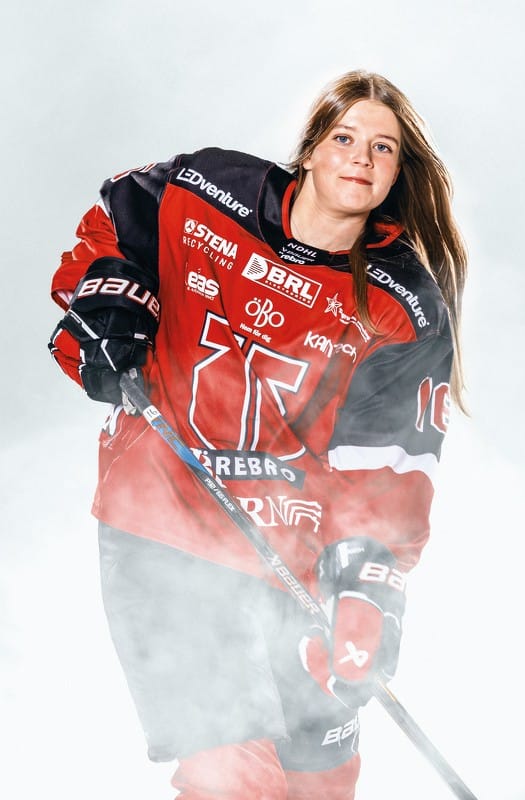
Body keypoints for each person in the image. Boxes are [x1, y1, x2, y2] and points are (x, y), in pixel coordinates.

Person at [48, 70, 467, 799]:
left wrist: (366, 592)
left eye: (383, 148)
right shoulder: (205, 190)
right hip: (166, 530)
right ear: (311, 147)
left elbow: (388, 473)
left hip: (291, 558)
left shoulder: (403, 307)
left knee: (319, 783)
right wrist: (113, 300)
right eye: (344, 137)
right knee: (232, 778)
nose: (360, 158)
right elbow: (111, 225)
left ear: (398, 172)